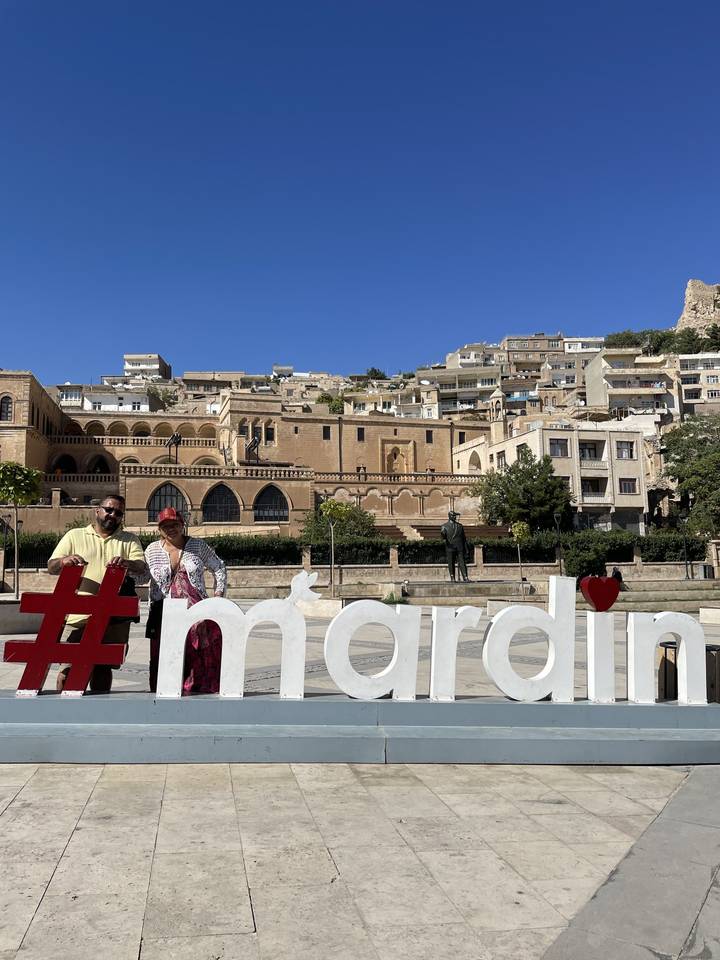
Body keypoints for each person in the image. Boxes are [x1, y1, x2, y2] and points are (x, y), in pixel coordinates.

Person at [47, 494, 147, 692]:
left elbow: (141, 566)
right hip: (78, 614)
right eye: (109, 510)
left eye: (118, 513)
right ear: (97, 511)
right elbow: (52, 566)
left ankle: (99, 713)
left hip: (114, 617)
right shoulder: (74, 535)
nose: (112, 515)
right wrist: (63, 561)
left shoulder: (129, 539)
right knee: (68, 667)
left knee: (103, 667)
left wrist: (126, 563)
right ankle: (63, 713)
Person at [145, 507, 227, 694]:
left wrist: (218, 595)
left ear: (182, 525)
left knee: (198, 653)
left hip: (196, 613)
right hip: (162, 611)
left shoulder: (197, 546)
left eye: (175, 524)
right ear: (159, 529)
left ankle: (197, 693)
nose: (170, 529)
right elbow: (142, 576)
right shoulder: (151, 550)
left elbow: (219, 567)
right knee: (165, 654)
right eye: (165, 526)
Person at [440, 510, 471, 582]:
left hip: (460, 547)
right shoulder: (444, 526)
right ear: (449, 516)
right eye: (453, 515)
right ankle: (452, 577)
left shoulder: (460, 526)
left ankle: (465, 577)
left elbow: (464, 538)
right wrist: (442, 533)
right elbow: (443, 538)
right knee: (451, 563)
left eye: (455, 516)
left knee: (462, 562)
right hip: (450, 547)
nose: (455, 517)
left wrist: (466, 548)